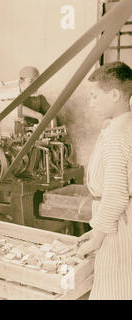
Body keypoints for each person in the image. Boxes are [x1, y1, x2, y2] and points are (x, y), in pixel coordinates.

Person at [77, 61, 132, 299]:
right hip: (117, 222)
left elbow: (116, 196)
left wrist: (97, 239)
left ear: (115, 95)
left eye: (95, 96)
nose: (91, 103)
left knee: (113, 290)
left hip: (119, 229)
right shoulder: (123, 127)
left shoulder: (117, 137)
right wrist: (94, 230)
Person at [0, 66, 52, 136]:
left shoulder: (39, 97)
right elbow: (14, 108)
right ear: (21, 81)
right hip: (9, 136)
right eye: (31, 81)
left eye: (37, 81)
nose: (36, 84)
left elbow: (51, 113)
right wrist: (38, 116)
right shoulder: (10, 93)